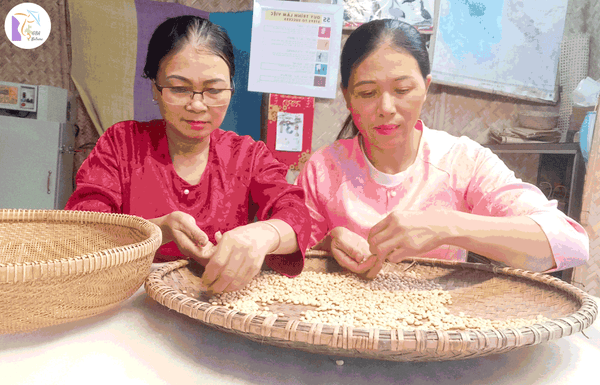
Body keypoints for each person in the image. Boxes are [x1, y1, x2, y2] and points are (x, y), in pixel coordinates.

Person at [297, 19, 589, 278]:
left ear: (426, 88)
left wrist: (446, 226)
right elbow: (292, 261)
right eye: (367, 93)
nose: (386, 108)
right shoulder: (323, 169)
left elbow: (568, 243)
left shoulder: (462, 161)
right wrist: (328, 244)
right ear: (347, 97)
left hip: (439, 329)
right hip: (345, 328)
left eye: (402, 90)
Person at [65, 16, 310, 293]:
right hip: (126, 299)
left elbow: (297, 215)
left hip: (217, 302)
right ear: (155, 89)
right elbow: (83, 228)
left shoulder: (247, 155)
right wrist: (157, 230)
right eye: (179, 89)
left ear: (231, 89)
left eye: (214, 90)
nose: (196, 105)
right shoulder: (122, 144)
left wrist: (265, 234)